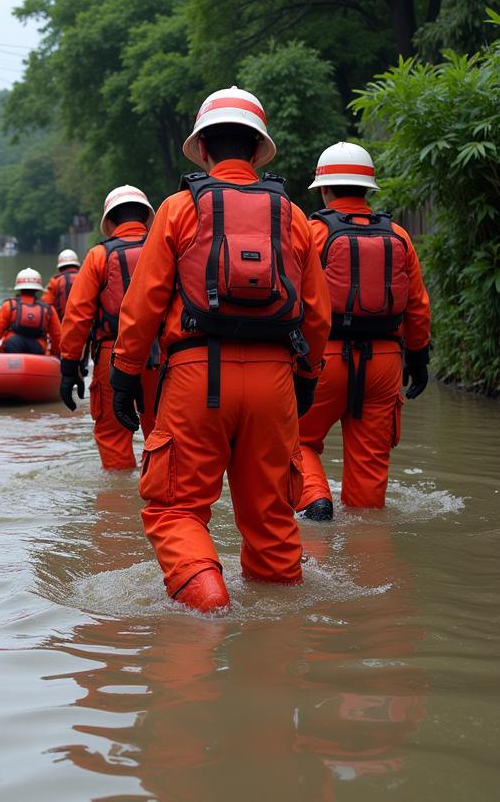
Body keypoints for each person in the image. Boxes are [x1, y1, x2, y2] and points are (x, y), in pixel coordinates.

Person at [110, 86, 331, 613]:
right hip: (276, 378)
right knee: (272, 516)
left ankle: (207, 604)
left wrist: (123, 374)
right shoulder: (296, 217)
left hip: (195, 377)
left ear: (202, 148)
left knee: (175, 509)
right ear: (258, 150)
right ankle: (276, 641)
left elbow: (143, 305)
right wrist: (305, 380)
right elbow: (317, 316)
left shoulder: (178, 208)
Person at [294, 142, 432, 519]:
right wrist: (418, 358)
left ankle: (315, 500)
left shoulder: (310, 233)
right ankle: (369, 549)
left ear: (324, 189)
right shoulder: (400, 236)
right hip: (385, 364)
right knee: (370, 467)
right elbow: (418, 306)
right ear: (368, 189)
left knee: (297, 440)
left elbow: (291, 299)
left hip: (323, 359)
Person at [59, 188, 161, 471]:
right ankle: (160, 499)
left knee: (113, 435)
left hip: (112, 356)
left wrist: (69, 368)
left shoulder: (98, 256)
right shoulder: (167, 247)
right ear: (146, 216)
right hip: (162, 356)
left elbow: (77, 316)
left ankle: (119, 508)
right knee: (164, 434)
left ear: (110, 221)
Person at [0, 268, 62, 356]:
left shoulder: (9, 306)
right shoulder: (48, 309)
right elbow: (57, 337)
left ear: (19, 287)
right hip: (38, 350)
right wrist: (55, 357)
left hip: (12, 347)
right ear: (37, 289)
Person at [43, 249, 80, 323]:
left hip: (61, 326)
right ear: (77, 266)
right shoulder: (86, 278)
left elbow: (46, 307)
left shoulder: (54, 282)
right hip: (85, 326)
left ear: (60, 267)